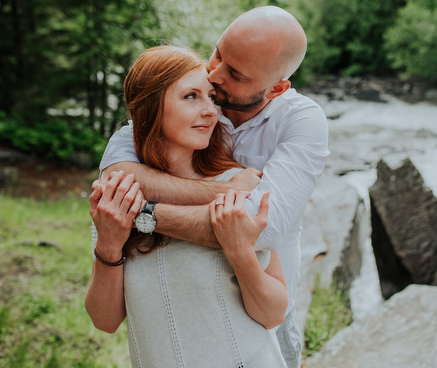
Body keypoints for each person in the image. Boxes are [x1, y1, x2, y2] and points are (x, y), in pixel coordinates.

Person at [98, 6, 330, 368]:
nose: (215, 72)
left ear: (276, 88)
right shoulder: (203, 90)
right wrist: (220, 193)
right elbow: (115, 178)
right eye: (218, 52)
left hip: (262, 316)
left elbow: (258, 229)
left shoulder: (300, 121)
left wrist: (141, 215)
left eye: (234, 72)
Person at [85, 45, 288, 367]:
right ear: (150, 107)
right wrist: (110, 244)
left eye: (211, 96)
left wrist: (240, 254)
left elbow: (273, 314)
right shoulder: (118, 197)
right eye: (191, 96)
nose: (210, 110)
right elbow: (104, 321)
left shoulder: (241, 183)